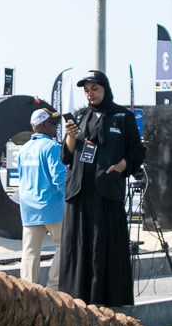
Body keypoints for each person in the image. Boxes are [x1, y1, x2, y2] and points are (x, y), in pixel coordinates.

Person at [56, 70, 145, 308]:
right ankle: (75, 299)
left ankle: (108, 298)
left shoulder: (122, 116)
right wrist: (70, 137)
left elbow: (137, 151)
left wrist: (122, 165)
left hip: (107, 190)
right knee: (78, 244)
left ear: (104, 88)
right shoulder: (79, 115)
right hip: (79, 190)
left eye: (94, 88)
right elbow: (67, 155)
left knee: (104, 244)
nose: (90, 93)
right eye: (86, 90)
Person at [14, 108, 68, 287]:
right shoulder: (51, 147)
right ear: (43, 125)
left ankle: (28, 291)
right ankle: (53, 288)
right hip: (52, 206)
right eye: (53, 124)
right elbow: (59, 177)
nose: (55, 127)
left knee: (30, 252)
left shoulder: (24, 150)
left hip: (29, 208)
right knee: (64, 245)